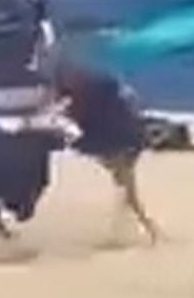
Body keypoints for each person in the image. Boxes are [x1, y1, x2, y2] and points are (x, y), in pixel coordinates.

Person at [48, 57, 161, 244]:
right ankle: (137, 226)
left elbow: (74, 116)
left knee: (125, 181)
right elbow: (130, 98)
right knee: (125, 181)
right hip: (119, 135)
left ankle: (142, 227)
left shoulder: (92, 87)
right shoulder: (98, 84)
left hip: (116, 137)